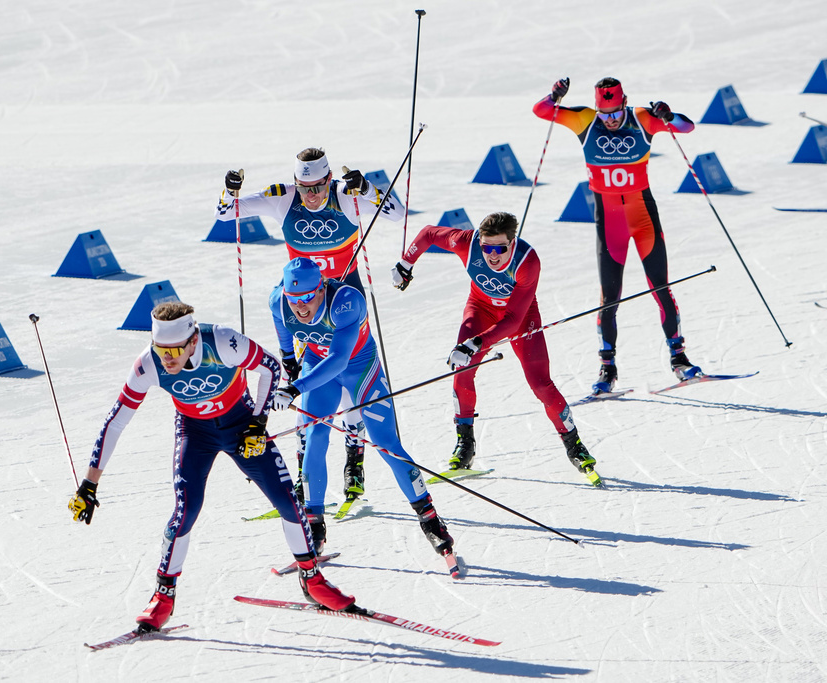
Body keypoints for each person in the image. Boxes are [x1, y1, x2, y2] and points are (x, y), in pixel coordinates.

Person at [68, 302, 355, 634]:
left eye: (174, 349)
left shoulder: (222, 342)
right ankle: (163, 597)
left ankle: (312, 580)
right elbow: (116, 422)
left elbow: (271, 368)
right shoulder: (148, 363)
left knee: (288, 501)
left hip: (241, 426)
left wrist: (257, 423)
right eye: (161, 349)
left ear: (192, 341)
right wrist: (89, 485)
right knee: (186, 509)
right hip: (195, 433)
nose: (167, 358)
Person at [217, 148, 404, 502]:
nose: (311, 195)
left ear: (329, 180)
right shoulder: (283, 200)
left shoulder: (345, 199)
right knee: (309, 396)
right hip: (301, 309)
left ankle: (355, 460)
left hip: (345, 307)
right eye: (304, 188)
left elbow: (397, 213)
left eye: (318, 186)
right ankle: (305, 489)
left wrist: (366, 188)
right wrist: (230, 189)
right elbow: (226, 213)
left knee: (349, 388)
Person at [391, 212, 599, 485]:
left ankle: (574, 446)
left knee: (540, 383)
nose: (492, 255)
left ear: (512, 243)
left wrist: (476, 343)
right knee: (462, 370)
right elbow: (429, 233)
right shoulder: (467, 243)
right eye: (486, 247)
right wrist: (405, 263)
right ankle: (465, 447)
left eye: (500, 248)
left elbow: (512, 320)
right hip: (480, 309)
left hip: (520, 317)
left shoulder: (527, 261)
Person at [269, 257, 455, 559]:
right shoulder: (278, 302)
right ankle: (314, 527)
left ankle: (430, 520)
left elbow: (340, 358)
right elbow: (282, 327)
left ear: (321, 288)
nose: (301, 307)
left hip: (360, 368)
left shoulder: (346, 301)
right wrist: (289, 360)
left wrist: (295, 387)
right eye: (294, 300)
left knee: (386, 444)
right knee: (314, 439)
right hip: (317, 368)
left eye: (307, 298)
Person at [533, 76, 703, 395]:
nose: (609, 120)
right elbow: (541, 111)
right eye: (604, 113)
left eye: (614, 112)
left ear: (624, 103)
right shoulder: (585, 119)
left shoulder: (641, 119)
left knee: (661, 288)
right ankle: (607, 368)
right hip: (609, 222)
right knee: (609, 298)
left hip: (642, 216)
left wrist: (668, 114)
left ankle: (679, 360)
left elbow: (686, 127)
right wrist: (555, 95)